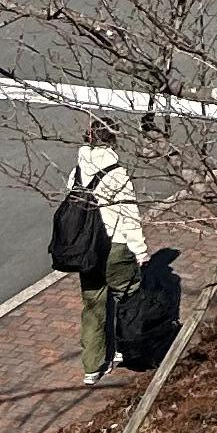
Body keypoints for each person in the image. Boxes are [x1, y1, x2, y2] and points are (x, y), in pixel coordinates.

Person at [69, 116, 144, 380]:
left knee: (93, 308)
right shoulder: (118, 172)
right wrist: (141, 251)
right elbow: (130, 215)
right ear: (113, 139)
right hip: (115, 244)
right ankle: (125, 347)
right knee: (128, 296)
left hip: (88, 249)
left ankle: (91, 367)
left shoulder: (77, 170)